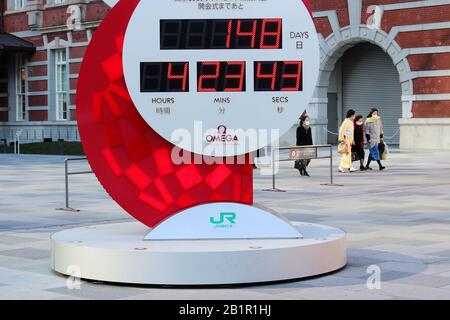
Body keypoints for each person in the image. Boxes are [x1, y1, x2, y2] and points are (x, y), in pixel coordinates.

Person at [295, 112, 313, 176]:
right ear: (303, 121)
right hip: (301, 146)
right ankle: (304, 171)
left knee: (308, 159)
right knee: (303, 159)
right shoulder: (299, 128)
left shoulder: (309, 128)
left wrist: (312, 146)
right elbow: (298, 138)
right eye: (307, 120)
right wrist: (299, 148)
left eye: (308, 120)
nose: (308, 121)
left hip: (308, 146)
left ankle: (301, 168)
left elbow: (310, 138)